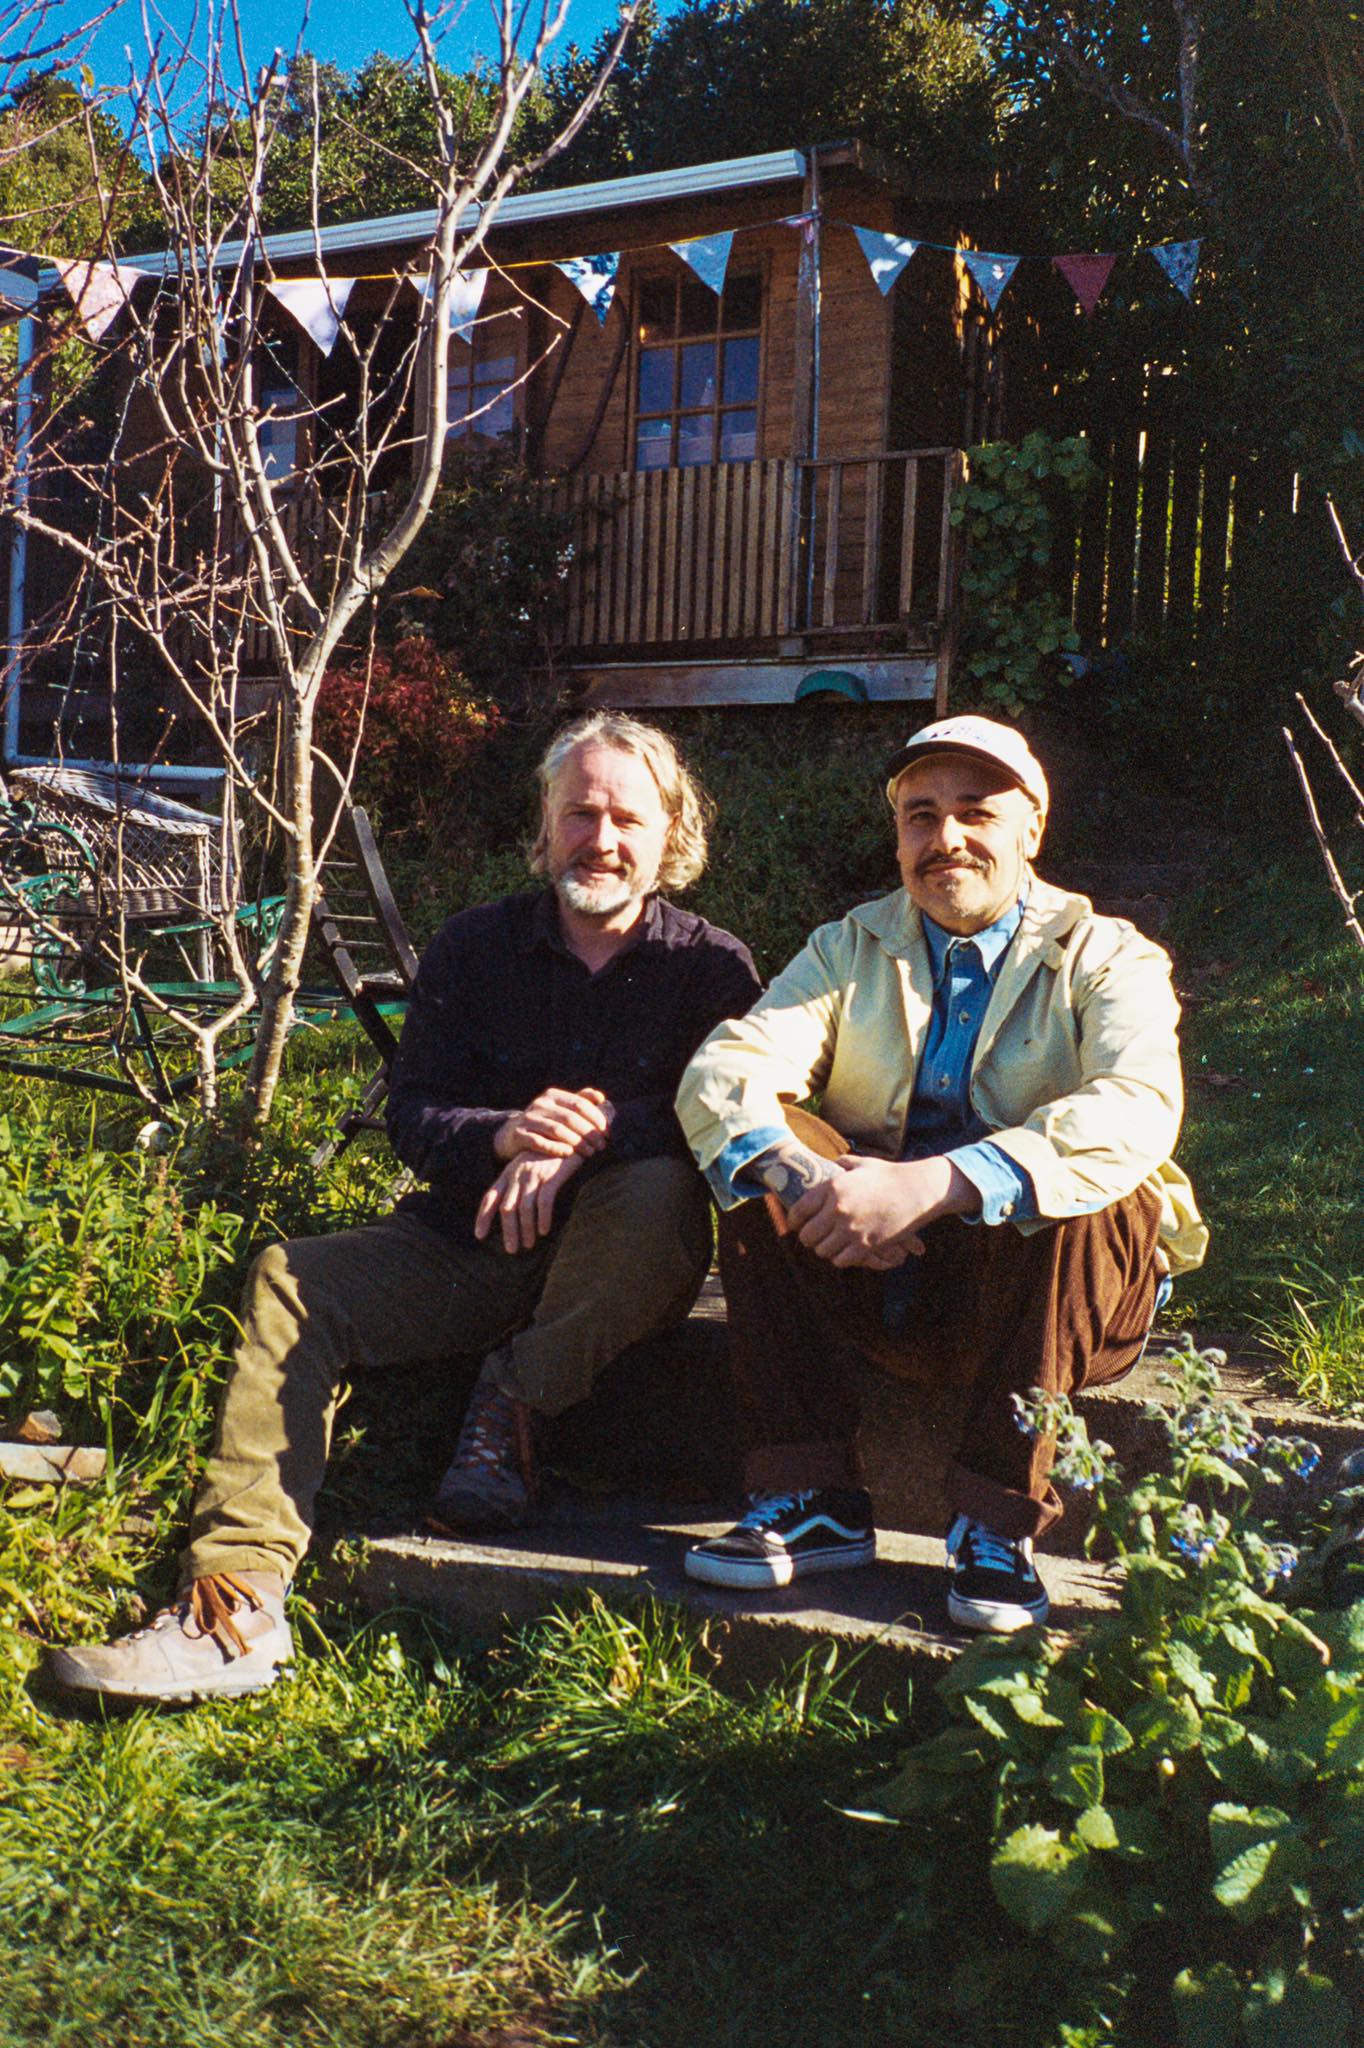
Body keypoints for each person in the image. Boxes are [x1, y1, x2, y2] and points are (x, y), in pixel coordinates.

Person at [50, 712, 761, 1701]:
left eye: (627, 818)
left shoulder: (711, 968)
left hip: (619, 1260)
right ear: (544, 822)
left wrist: (590, 1136)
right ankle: (237, 1599)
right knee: (291, 1277)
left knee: (659, 1189)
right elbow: (415, 1112)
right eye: (579, 812)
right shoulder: (475, 947)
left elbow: (727, 1121)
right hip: (471, 1240)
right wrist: (507, 1135)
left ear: (670, 832)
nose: (600, 839)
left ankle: (512, 1397)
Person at [675, 713, 1207, 1633]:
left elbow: (1137, 1103)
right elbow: (727, 1068)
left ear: (1031, 829)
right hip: (879, 1278)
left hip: (1055, 1294)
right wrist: (810, 1182)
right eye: (920, 815)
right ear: (897, 837)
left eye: (976, 812)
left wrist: (929, 1185)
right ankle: (813, 1498)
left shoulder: (1107, 953)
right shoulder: (847, 947)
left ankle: (997, 1523)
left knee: (1097, 1185)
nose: (945, 837)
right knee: (759, 1144)